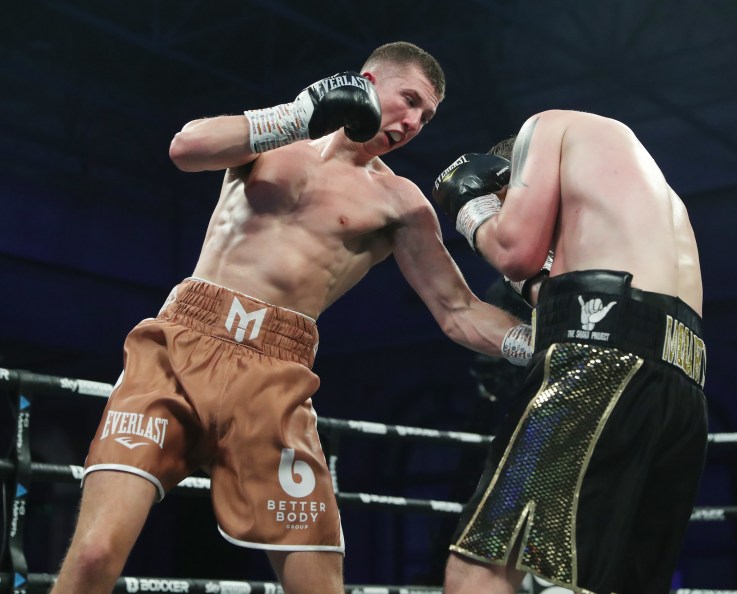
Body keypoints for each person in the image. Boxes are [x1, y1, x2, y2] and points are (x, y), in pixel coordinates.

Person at [50, 42, 532, 594]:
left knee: (318, 588)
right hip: (179, 347)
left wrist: (539, 345)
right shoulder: (273, 137)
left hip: (276, 374)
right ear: (367, 81)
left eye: (427, 116)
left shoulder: (402, 203)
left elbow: (459, 311)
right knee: (91, 556)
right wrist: (298, 114)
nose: (415, 122)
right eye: (410, 100)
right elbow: (186, 148)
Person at [431, 109, 708, 594]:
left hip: (599, 364)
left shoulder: (551, 127)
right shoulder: (649, 199)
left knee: (481, 568)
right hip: (682, 384)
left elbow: (515, 250)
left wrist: (473, 211)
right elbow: (564, 290)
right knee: (604, 583)